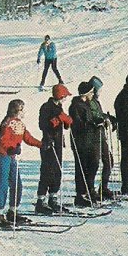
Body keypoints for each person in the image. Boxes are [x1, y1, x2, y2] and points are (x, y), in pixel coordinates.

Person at [0, 99, 42, 228]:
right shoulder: (8, 122)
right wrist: (11, 147)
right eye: (22, 109)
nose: (24, 112)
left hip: (12, 157)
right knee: (2, 184)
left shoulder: (20, 124)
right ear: (16, 110)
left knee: (17, 184)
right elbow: (1, 139)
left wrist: (42, 144)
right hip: (2, 155)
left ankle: (13, 211)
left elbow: (28, 138)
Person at [35, 84, 73, 214]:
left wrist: (66, 121)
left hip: (57, 143)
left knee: (57, 171)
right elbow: (43, 125)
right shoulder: (46, 107)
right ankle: (41, 201)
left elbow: (66, 122)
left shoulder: (58, 107)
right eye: (64, 96)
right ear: (60, 96)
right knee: (47, 171)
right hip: (48, 142)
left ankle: (53, 197)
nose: (65, 99)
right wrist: (57, 120)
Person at [69, 82, 103, 207]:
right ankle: (81, 195)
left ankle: (89, 190)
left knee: (93, 165)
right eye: (91, 92)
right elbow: (78, 124)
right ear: (86, 93)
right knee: (82, 168)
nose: (93, 94)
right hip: (81, 141)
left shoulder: (86, 104)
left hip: (90, 140)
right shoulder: (76, 106)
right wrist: (92, 124)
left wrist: (98, 121)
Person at [88, 76, 116, 200]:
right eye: (99, 89)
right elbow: (93, 115)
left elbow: (99, 113)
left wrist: (108, 117)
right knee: (94, 163)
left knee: (109, 161)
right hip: (94, 136)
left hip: (101, 135)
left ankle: (103, 187)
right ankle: (90, 189)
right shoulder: (89, 101)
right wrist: (102, 119)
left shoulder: (96, 101)